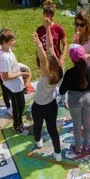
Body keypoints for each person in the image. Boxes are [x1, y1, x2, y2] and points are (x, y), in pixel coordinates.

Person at [59, 44, 90, 156]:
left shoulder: (69, 73)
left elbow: (61, 91)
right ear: (84, 56)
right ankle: (87, 146)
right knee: (87, 123)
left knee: (76, 125)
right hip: (88, 99)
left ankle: (78, 147)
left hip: (74, 101)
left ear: (71, 58)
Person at [31, 18, 63, 161]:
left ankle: (38, 142)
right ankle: (58, 154)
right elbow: (50, 47)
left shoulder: (47, 76)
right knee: (52, 129)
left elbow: (44, 60)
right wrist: (48, 28)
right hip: (52, 105)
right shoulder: (58, 70)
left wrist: (38, 44)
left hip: (39, 107)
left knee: (37, 126)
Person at [36, 0, 68, 108]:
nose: (48, 18)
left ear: (53, 16)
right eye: (46, 15)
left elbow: (65, 45)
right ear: (43, 15)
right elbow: (39, 47)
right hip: (45, 61)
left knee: (61, 80)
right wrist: (39, 61)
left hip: (56, 59)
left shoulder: (58, 28)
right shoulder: (39, 30)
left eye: (50, 15)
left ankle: (64, 100)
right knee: (48, 81)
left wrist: (62, 58)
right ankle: (49, 99)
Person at [0, 28, 30, 134]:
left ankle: (19, 123)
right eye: (12, 40)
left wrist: (21, 67)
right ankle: (17, 126)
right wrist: (20, 73)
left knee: (21, 105)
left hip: (18, 85)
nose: (14, 41)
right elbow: (5, 77)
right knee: (17, 108)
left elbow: (13, 66)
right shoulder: (4, 57)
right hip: (13, 87)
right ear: (4, 42)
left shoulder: (8, 50)